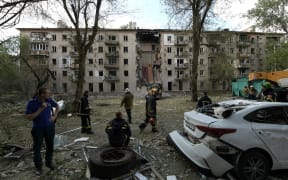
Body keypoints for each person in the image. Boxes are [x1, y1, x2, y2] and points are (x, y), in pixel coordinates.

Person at [26, 87, 59, 175]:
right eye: (48, 93)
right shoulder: (32, 103)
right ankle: (39, 167)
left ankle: (49, 162)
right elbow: (29, 118)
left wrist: (54, 117)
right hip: (38, 129)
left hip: (49, 127)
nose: (50, 95)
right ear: (42, 94)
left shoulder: (49, 100)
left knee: (50, 145)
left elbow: (57, 106)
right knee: (37, 148)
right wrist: (40, 109)